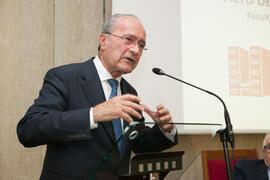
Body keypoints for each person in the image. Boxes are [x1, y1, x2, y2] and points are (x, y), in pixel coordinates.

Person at [17, 14, 178, 180]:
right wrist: (93, 115)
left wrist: (164, 130)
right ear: (103, 41)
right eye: (128, 39)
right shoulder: (65, 77)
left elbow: (136, 143)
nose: (136, 50)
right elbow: (29, 129)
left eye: (141, 45)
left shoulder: (129, 91)